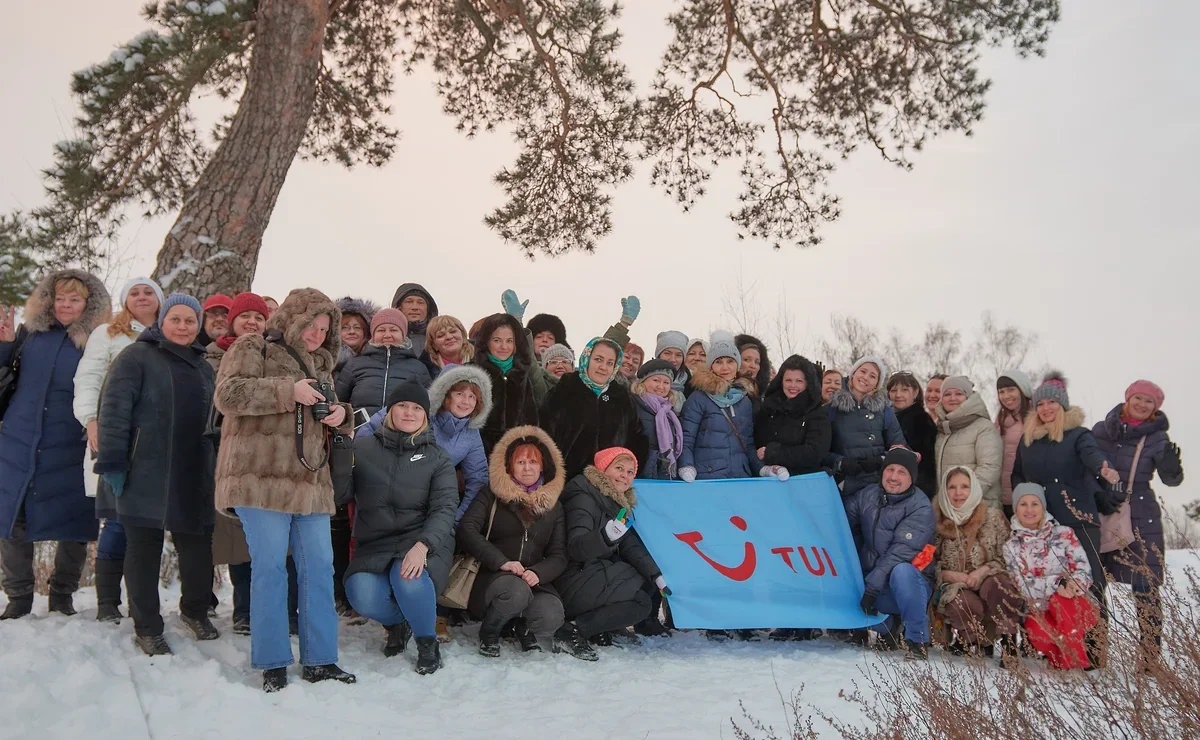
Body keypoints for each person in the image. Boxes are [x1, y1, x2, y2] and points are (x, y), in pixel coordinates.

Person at [213, 288, 356, 692]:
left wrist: (342, 416)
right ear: (293, 318)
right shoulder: (252, 345)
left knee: (320, 569)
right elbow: (228, 394)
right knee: (271, 569)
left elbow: (328, 418)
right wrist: (286, 391)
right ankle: (273, 661)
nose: (315, 334)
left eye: (324, 329)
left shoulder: (323, 366)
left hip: (311, 482)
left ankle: (321, 659)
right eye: (311, 325)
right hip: (260, 480)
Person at [94, 294, 220, 655]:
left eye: (189, 321)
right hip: (143, 471)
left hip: (193, 471)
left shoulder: (203, 366)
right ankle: (147, 626)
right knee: (143, 549)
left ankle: (196, 611)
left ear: (198, 325)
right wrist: (113, 462)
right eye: (175, 319)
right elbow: (114, 411)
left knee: (197, 548)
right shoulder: (136, 357)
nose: (182, 327)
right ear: (161, 321)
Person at [0, 269, 110, 620]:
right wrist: (3, 347)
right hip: (20, 437)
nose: (65, 305)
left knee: (75, 518)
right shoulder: (29, 334)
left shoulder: (98, 339)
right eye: (60, 298)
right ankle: (18, 596)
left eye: (74, 299)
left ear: (88, 304)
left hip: (72, 441)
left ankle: (62, 594)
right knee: (12, 514)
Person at [337, 381, 456, 674]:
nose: (409, 412)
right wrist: (342, 447)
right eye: (402, 405)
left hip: (419, 540)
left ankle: (427, 641)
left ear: (425, 416)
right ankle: (398, 623)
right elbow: (340, 496)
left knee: (408, 579)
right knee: (361, 593)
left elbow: (445, 508)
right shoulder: (362, 447)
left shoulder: (438, 457)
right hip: (375, 542)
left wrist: (423, 545)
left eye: (417, 408)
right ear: (390, 410)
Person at [1011, 372, 1120, 668]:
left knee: (1090, 584)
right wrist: (1023, 501)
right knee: (1046, 585)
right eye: (1041, 403)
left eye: (1052, 403)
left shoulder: (1077, 435)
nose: (1046, 408)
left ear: (1063, 405)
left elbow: (1092, 456)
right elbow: (1018, 474)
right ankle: (1053, 647)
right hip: (1042, 525)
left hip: (1077, 521)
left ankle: (1094, 651)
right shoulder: (1028, 439)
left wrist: (1104, 470)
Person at [72, 276, 164, 623]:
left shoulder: (170, 335)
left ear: (159, 299)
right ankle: (108, 601)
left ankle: (143, 600)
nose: (141, 297)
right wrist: (91, 420)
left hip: (156, 445)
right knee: (117, 521)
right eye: (134, 292)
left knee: (148, 524)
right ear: (125, 301)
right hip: (114, 437)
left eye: (148, 292)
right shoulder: (108, 334)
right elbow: (89, 378)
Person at [456, 426, 578, 658]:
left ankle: (519, 626)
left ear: (542, 466)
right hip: (491, 577)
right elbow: (467, 529)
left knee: (551, 615)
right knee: (515, 591)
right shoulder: (491, 494)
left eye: (533, 462)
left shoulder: (554, 505)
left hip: (532, 579)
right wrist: (501, 562)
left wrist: (538, 573)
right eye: (521, 462)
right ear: (510, 466)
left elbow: (559, 554)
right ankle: (489, 632)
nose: (527, 468)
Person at [1093, 380, 1184, 665]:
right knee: (1093, 582)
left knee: (1145, 584)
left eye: (1150, 402)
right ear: (1128, 398)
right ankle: (1095, 650)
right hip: (1101, 509)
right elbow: (1085, 466)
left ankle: (1149, 656)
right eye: (1139, 398)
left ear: (1155, 408)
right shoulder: (1100, 430)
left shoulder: (1157, 438)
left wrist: (1172, 469)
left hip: (1141, 515)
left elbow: (1173, 480)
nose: (1143, 405)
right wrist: (1097, 494)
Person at [205, 291, 272, 635]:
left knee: (258, 538)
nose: (252, 323)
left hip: (262, 453)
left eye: (259, 318)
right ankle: (228, 606)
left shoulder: (271, 356)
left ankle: (256, 609)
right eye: (246, 316)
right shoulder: (212, 356)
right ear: (232, 320)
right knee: (230, 537)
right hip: (221, 450)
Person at [556, 449, 667, 651]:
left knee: (646, 581)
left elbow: (628, 544)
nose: (624, 476)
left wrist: (656, 574)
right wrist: (604, 537)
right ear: (603, 469)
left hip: (591, 572)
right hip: (572, 577)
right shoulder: (584, 497)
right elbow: (576, 548)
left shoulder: (614, 501)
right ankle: (574, 629)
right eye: (619, 468)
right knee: (641, 603)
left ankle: (601, 626)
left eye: (630, 472)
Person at [846, 447, 936, 659]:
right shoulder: (868, 495)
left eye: (901, 472)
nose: (893, 477)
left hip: (910, 585)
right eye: (890, 470)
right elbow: (841, 523)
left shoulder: (921, 508)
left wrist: (871, 587)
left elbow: (899, 553)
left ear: (912, 478)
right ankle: (889, 626)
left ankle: (917, 639)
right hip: (873, 582)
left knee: (902, 571)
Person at [933, 466, 1022, 663]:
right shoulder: (935, 521)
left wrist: (982, 571)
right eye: (952, 487)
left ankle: (1009, 641)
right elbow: (929, 563)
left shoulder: (993, 517)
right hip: (956, 587)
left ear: (973, 489)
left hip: (989, 580)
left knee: (999, 585)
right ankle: (973, 639)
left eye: (964, 486)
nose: (958, 493)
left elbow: (1010, 557)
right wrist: (951, 576)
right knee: (961, 604)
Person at [1004, 483, 1098, 670]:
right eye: (1023, 504)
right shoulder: (1011, 546)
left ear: (1043, 506)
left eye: (1035, 503)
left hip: (1076, 603)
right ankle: (1059, 660)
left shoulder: (1064, 534)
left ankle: (1073, 666)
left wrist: (1071, 586)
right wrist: (1058, 583)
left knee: (1061, 603)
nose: (1029, 510)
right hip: (1040, 609)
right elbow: (1023, 585)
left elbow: (1084, 570)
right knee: (1038, 630)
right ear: (1015, 508)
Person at [542, 337, 648, 480]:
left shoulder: (622, 397)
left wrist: (628, 474)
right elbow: (543, 434)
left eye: (610, 363)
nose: (603, 367)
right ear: (586, 359)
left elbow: (637, 439)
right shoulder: (564, 390)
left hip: (611, 485)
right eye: (598, 359)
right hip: (568, 482)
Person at [679, 332, 778, 482]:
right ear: (711, 365)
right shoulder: (698, 398)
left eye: (730, 361)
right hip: (707, 478)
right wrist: (686, 466)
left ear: (737, 365)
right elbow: (686, 439)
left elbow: (748, 444)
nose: (725, 367)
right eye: (719, 362)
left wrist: (761, 468)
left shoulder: (744, 400)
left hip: (739, 477)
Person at [825, 357, 907, 497]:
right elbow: (820, 450)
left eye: (873, 376)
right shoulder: (832, 408)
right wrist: (841, 462)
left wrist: (881, 459)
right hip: (843, 486)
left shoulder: (884, 410)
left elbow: (899, 448)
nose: (866, 378)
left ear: (877, 384)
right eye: (863, 371)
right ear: (853, 373)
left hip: (877, 485)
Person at [336, 307, 433, 417]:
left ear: (403, 335)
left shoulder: (418, 368)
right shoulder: (354, 364)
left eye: (393, 330)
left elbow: (428, 408)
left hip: (402, 432)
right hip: (360, 433)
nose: (387, 335)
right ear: (373, 335)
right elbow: (338, 401)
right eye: (381, 330)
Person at [470, 313, 546, 454]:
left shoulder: (521, 376)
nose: (504, 346)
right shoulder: (472, 373)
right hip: (478, 455)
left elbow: (531, 423)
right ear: (486, 341)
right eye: (497, 340)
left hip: (515, 456)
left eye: (509, 341)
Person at [754, 355, 832, 477]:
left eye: (799, 381)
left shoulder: (816, 412)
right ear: (781, 381)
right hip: (768, 479)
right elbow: (756, 441)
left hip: (801, 481)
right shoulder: (768, 408)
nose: (793, 386)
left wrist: (773, 453)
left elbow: (815, 452)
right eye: (788, 380)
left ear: (807, 383)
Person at [933, 375, 1003, 508]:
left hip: (978, 507)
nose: (952, 398)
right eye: (947, 394)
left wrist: (965, 498)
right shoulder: (942, 429)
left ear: (968, 398)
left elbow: (989, 468)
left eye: (959, 393)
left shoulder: (983, 427)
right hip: (949, 507)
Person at [630, 359, 685, 480]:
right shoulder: (632, 404)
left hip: (663, 473)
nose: (661, 386)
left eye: (666, 382)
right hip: (637, 473)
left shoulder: (670, 411)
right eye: (656, 380)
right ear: (643, 382)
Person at [887, 371, 938, 499]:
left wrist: (914, 492)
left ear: (915, 392)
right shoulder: (887, 419)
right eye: (893, 390)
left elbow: (926, 464)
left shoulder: (921, 420)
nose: (898, 395)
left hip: (912, 491)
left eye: (904, 390)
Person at [995, 370, 1033, 518]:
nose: (1006, 396)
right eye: (1001, 392)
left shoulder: (1034, 418)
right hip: (1002, 494)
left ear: (1022, 390)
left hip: (1026, 493)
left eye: (1011, 390)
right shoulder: (1000, 419)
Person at [333, 296, 378, 378]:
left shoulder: (376, 361)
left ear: (366, 332)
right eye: (345, 328)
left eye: (357, 327)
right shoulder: (326, 361)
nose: (352, 332)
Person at [389, 283, 438, 353]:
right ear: (399, 307)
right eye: (409, 302)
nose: (415, 307)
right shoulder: (385, 337)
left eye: (420, 303)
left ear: (428, 309)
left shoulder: (440, 338)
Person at [735, 334, 771, 401]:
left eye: (757, 362)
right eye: (747, 360)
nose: (753, 366)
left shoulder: (766, 397)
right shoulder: (719, 392)